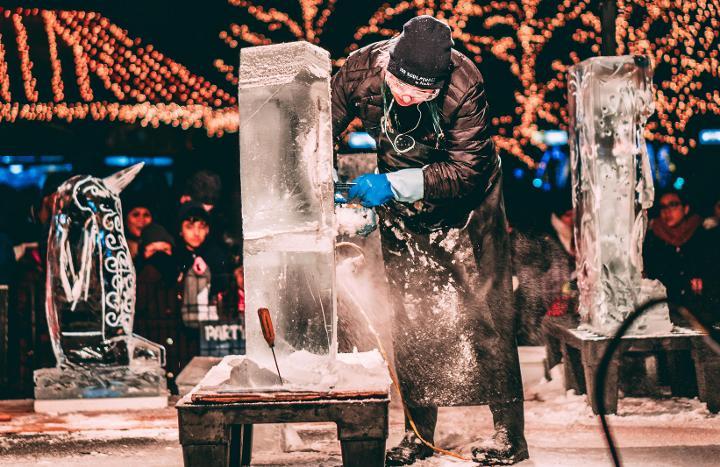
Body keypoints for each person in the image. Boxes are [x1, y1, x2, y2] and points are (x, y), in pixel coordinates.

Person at [332, 15, 527, 465]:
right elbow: (322, 122)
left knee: (486, 313)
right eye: (400, 85)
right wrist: (327, 172)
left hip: (469, 205)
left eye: (420, 93)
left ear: (439, 86)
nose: (405, 96)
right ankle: (419, 434)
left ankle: (509, 436)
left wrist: (393, 184)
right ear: (389, 66)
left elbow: (467, 169)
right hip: (403, 207)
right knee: (411, 314)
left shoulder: (466, 84)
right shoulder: (362, 68)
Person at [644, 191, 712, 323]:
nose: (667, 211)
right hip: (665, 313)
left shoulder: (702, 234)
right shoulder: (653, 237)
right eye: (663, 207)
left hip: (700, 313)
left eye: (673, 205)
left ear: (685, 209)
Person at [175, 202, 232, 326]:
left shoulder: (217, 256)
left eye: (201, 227)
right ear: (180, 230)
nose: (196, 233)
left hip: (213, 324)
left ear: (207, 230)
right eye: (189, 227)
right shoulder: (174, 257)